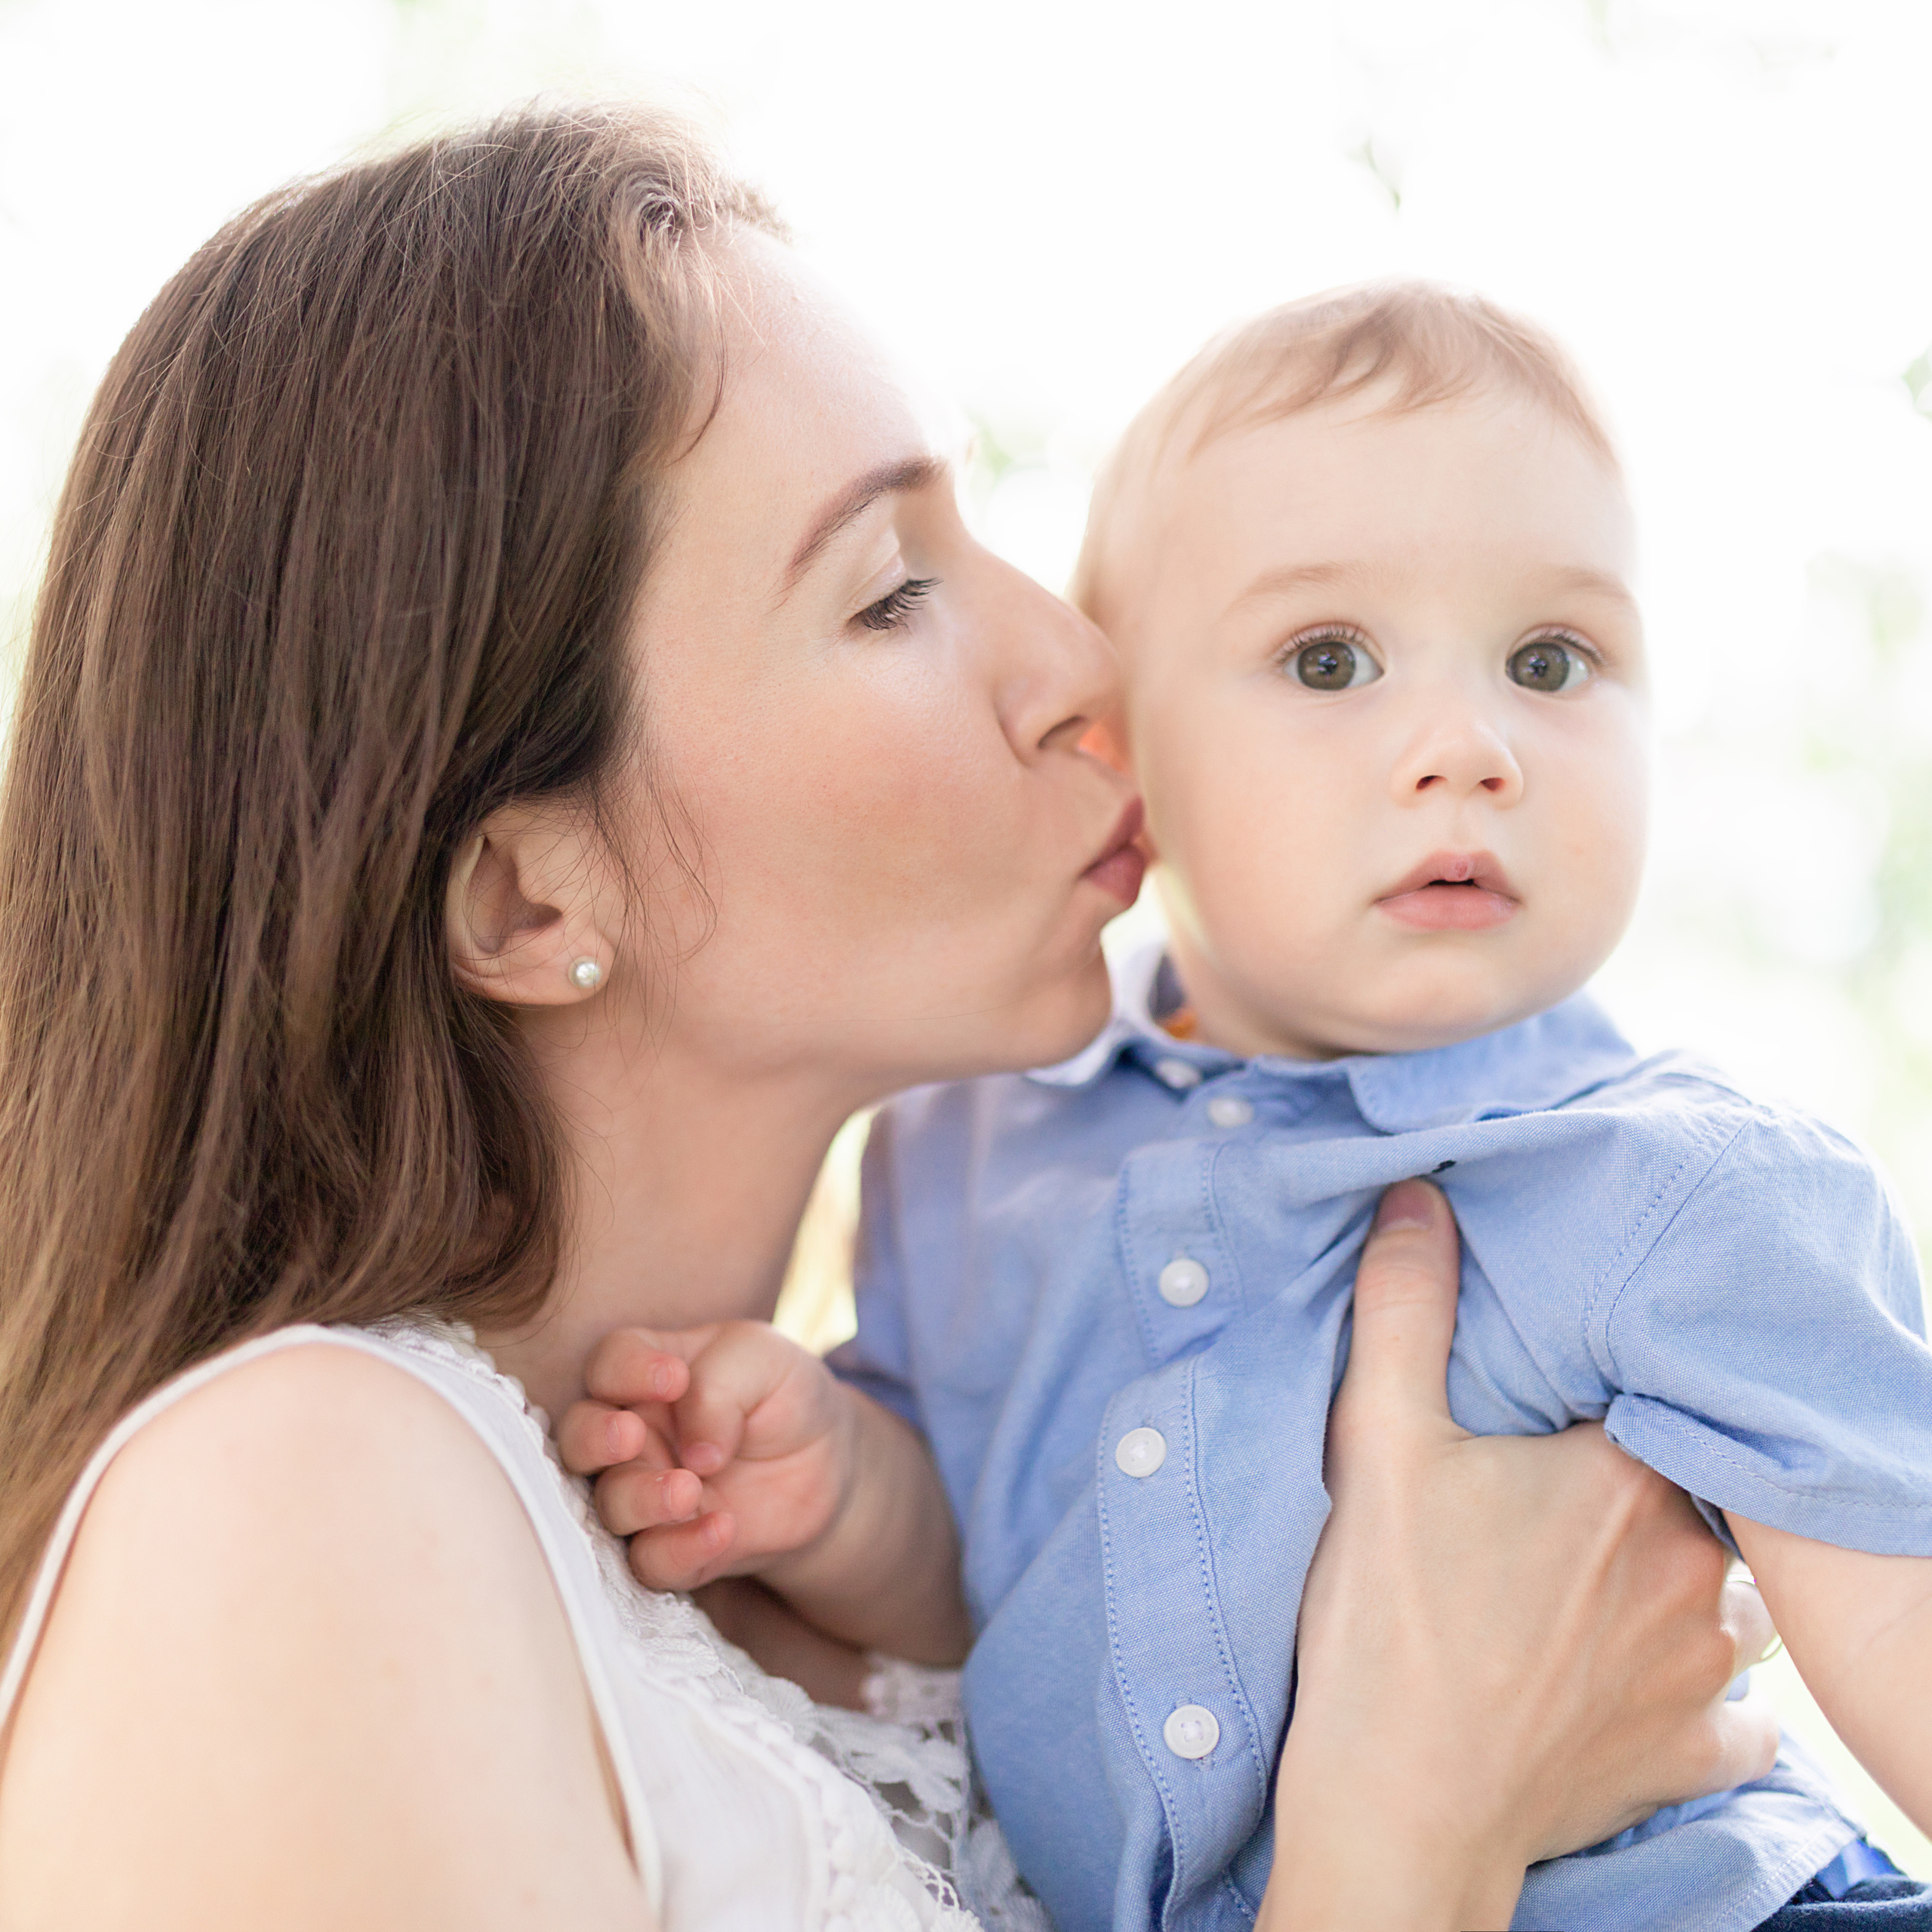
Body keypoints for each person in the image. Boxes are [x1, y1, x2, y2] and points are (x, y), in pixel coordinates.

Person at [0, 112, 1778, 1931]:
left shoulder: (905, 1538)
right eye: (891, 590)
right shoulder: (290, 1507)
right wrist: (1416, 1816)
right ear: (532, 897)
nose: (1085, 670)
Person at [567, 285, 1932, 1932]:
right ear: (1122, 753)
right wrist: (846, 1487)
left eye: (1549, 659)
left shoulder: (1679, 1179)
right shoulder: (970, 1153)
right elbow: (990, 1579)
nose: (1465, 744)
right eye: (1328, 659)